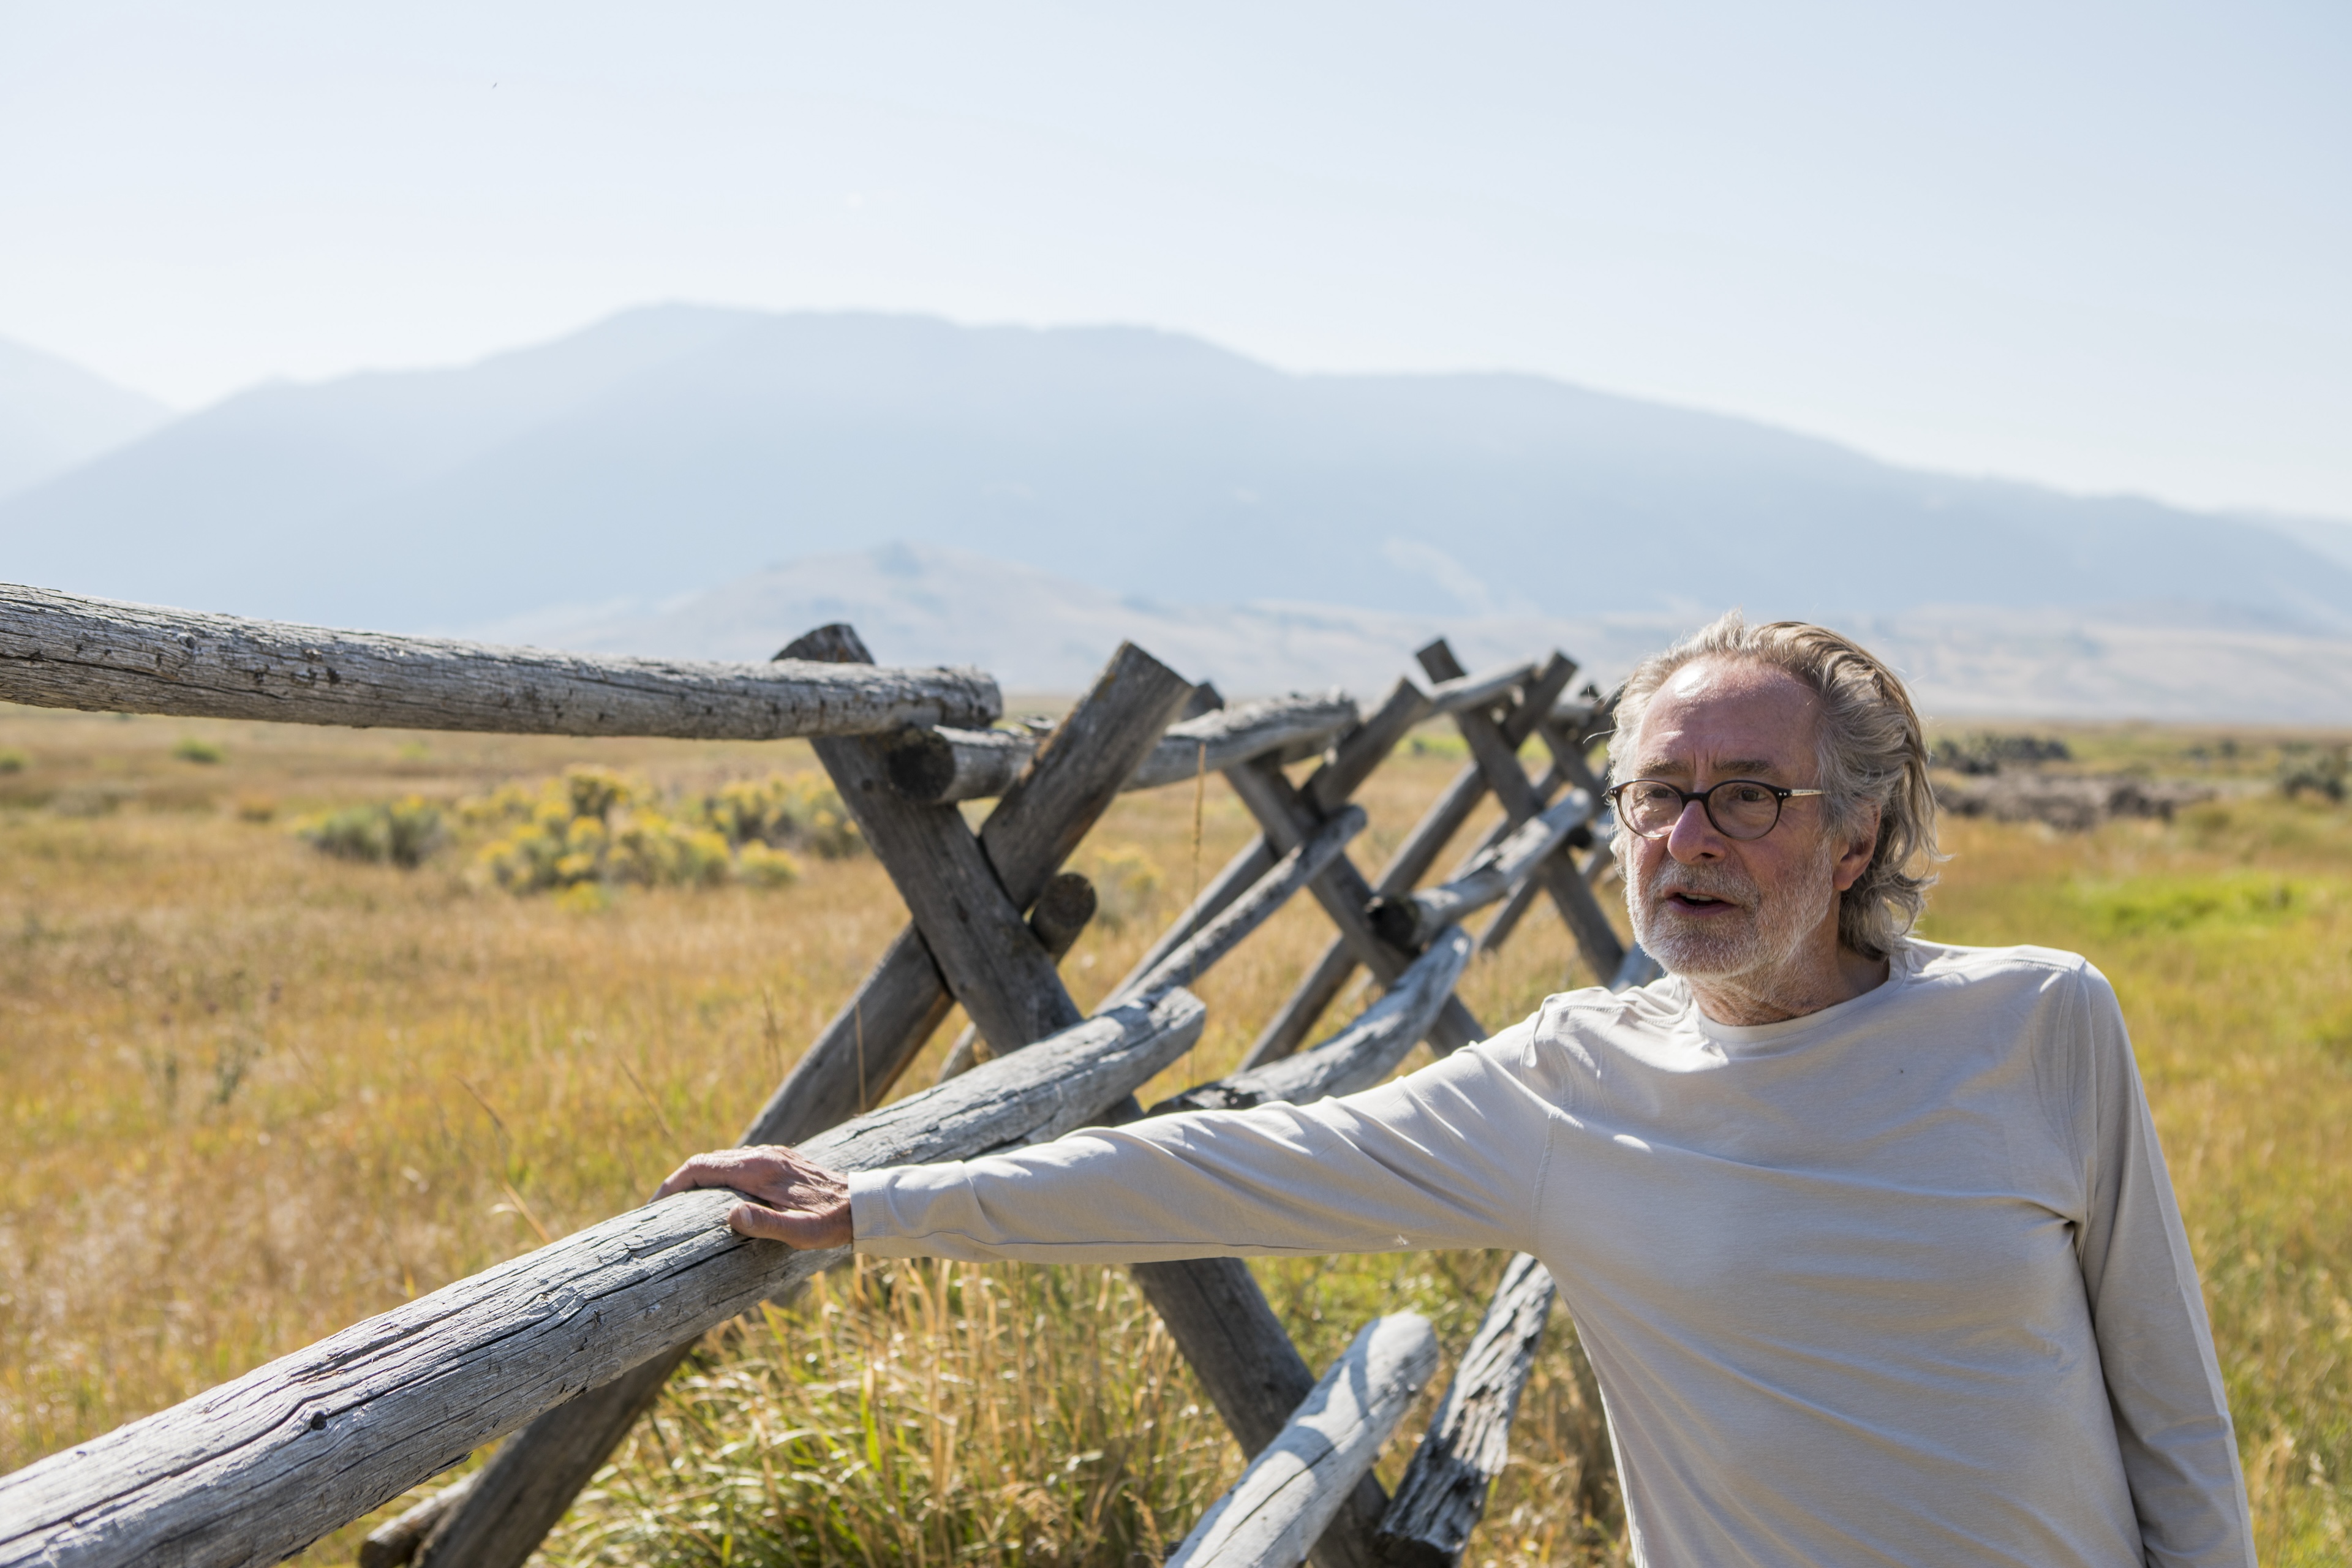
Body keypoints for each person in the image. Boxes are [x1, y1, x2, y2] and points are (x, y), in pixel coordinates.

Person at [660, 612, 2254, 1567]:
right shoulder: (1570, 1088)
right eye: (1658, 797)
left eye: (1750, 798)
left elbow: (2171, 1406)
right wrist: (874, 1203)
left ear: (1854, 839)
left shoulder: (2041, 1025)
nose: (1690, 839)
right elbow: (1229, 1172)